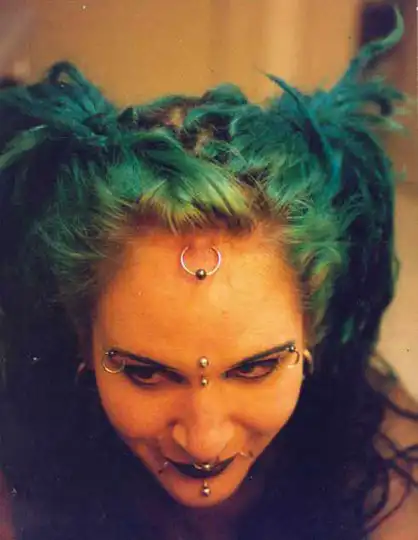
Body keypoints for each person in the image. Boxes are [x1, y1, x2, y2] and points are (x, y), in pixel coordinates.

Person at [0, 10, 417, 540]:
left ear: (313, 332)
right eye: (146, 374)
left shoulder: (386, 478)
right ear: (83, 337)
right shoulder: (22, 460)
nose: (203, 440)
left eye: (256, 368)